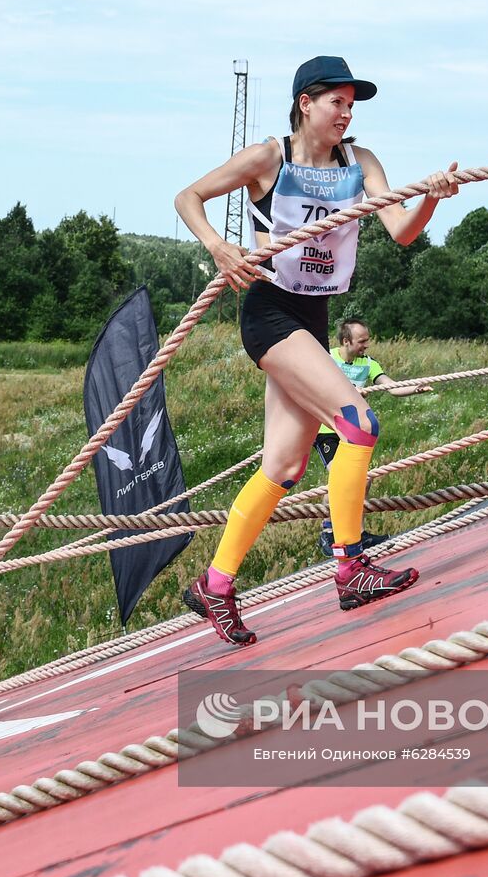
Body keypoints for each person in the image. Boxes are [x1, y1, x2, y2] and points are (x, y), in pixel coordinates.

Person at [174, 55, 458, 646]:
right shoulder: (268, 159)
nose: (346, 113)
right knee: (357, 421)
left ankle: (215, 584)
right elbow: (188, 197)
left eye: (352, 104)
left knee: (283, 466)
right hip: (270, 314)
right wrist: (219, 248)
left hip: (313, 316)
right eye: (337, 101)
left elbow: (402, 231)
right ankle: (350, 568)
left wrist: (431, 197)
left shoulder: (362, 162)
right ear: (306, 102)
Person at [312, 317, 407, 557]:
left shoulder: (368, 363)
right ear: (346, 341)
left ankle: (358, 533)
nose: (367, 345)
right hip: (326, 431)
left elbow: (390, 386)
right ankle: (328, 531)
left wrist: (415, 389)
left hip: (352, 431)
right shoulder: (327, 358)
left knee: (363, 481)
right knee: (339, 476)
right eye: (362, 341)